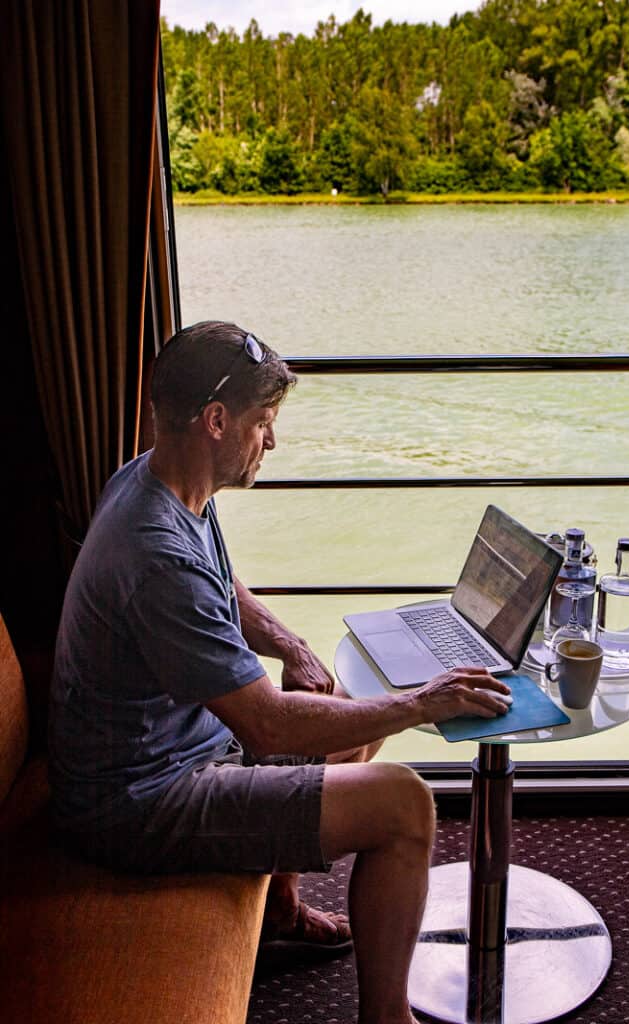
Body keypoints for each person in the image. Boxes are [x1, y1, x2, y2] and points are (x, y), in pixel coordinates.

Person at [48, 320, 511, 1024]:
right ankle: (389, 1017)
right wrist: (424, 703)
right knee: (404, 805)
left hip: (173, 750)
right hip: (137, 804)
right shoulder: (155, 555)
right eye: (264, 424)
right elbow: (267, 724)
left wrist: (290, 643)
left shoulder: (157, 484)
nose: (273, 441)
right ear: (215, 421)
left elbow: (223, 588)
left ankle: (283, 908)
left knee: (346, 713)